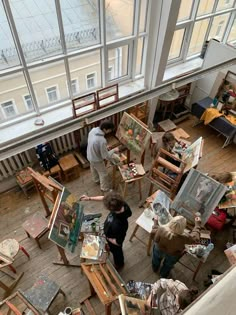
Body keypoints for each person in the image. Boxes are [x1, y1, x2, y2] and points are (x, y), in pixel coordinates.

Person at [80, 191, 132, 269]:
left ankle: (119, 265)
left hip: (114, 243)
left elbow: (118, 242)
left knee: (117, 254)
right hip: (109, 234)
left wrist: (107, 238)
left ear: (111, 209)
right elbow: (104, 198)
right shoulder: (121, 203)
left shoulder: (119, 225)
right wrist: (89, 198)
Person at [87, 120, 120, 192]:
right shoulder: (102, 140)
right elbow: (105, 156)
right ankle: (104, 189)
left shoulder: (93, 130)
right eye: (110, 130)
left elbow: (93, 143)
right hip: (96, 159)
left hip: (89, 155)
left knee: (93, 167)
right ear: (105, 129)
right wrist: (114, 150)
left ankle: (96, 180)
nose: (110, 131)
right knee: (103, 173)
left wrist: (104, 147)